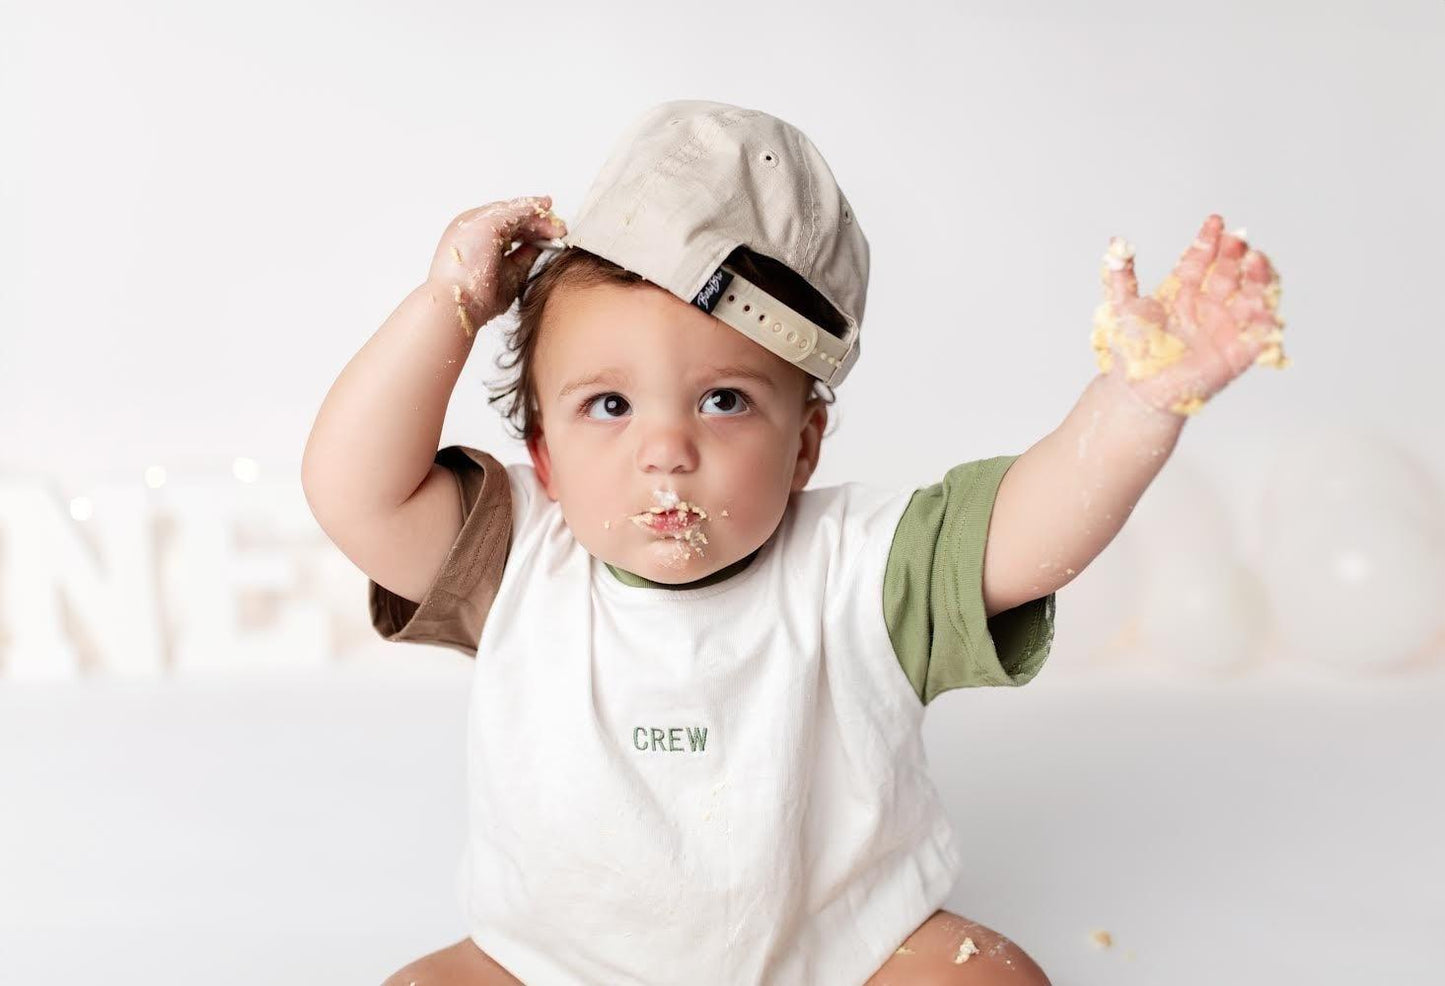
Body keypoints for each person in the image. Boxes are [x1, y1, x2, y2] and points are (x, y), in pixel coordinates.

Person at [301, 99, 1286, 985]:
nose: (666, 450)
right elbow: (354, 490)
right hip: (549, 962)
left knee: (990, 977)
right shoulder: (515, 557)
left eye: (722, 400)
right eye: (607, 404)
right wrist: (449, 305)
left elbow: (1032, 526)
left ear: (803, 442)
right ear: (544, 455)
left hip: (840, 949)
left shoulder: (859, 563)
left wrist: (1138, 397)